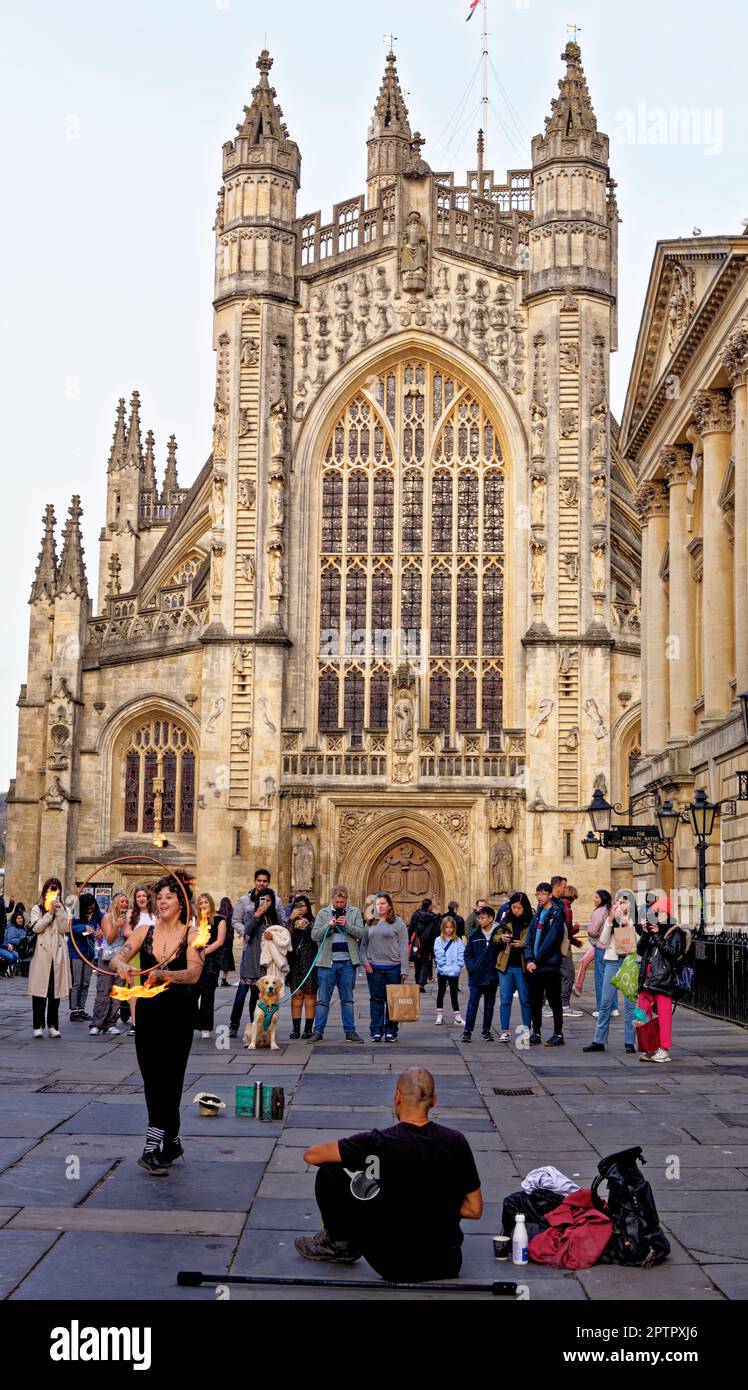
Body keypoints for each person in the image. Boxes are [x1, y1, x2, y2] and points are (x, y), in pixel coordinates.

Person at [294, 1067, 483, 1281]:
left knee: (331, 1171)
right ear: (434, 1100)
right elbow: (474, 1209)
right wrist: (434, 1202)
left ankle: (339, 1243)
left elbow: (312, 1156)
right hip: (446, 1263)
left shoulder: (377, 1141)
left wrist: (364, 1170)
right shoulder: (456, 1141)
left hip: (393, 1264)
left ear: (397, 1097)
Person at [110, 873, 204, 1174]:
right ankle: (171, 1141)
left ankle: (152, 1147)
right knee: (153, 1078)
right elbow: (117, 957)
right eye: (159, 897)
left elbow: (193, 973)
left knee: (171, 1079)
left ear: (181, 903)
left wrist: (166, 975)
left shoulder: (191, 936)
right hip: (148, 1013)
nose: (162, 901)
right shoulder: (144, 931)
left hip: (178, 1013)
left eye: (169, 897)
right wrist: (123, 966)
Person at [309, 886, 365, 1043]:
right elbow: (314, 935)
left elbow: (361, 933)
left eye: (342, 901)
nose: (340, 904)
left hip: (348, 962)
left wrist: (347, 924)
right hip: (327, 962)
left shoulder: (354, 912)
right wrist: (328, 925)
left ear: (347, 900)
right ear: (331, 899)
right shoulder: (323, 913)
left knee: (347, 999)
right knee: (323, 1000)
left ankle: (350, 1031)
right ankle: (318, 1031)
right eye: (337, 901)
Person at [637, 909, 691, 1064]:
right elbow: (640, 951)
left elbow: (672, 952)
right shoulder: (653, 931)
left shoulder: (676, 932)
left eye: (659, 913)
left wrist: (656, 935)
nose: (656, 916)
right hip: (647, 979)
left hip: (664, 980)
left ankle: (664, 1049)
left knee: (663, 1016)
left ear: (668, 914)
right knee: (641, 1014)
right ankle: (649, 1047)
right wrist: (646, 934)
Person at [583, 893, 636, 1054]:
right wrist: (611, 919)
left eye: (624, 903)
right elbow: (603, 941)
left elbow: (639, 942)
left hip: (630, 962)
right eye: (619, 902)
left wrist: (628, 925)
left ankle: (629, 1041)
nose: (621, 906)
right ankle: (599, 1040)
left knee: (630, 1005)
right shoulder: (611, 920)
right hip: (612, 960)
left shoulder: (635, 921)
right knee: (605, 1002)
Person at [229, 876, 278, 1038]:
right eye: (264, 900)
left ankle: (254, 1025)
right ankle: (233, 1025)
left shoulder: (272, 918)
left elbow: (280, 933)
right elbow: (247, 930)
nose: (266, 903)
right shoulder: (251, 913)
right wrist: (257, 915)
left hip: (264, 962)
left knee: (256, 996)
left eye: (269, 901)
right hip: (250, 958)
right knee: (241, 993)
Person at [361, 892, 409, 1042]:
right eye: (377, 904)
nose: (380, 906)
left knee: (392, 1001)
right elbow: (363, 945)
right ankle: (376, 1030)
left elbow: (403, 947)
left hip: (393, 967)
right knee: (376, 999)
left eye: (383, 903)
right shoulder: (369, 922)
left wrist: (404, 969)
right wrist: (365, 962)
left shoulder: (398, 922)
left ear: (389, 906)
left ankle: (391, 1030)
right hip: (374, 968)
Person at [525, 882, 567, 1046]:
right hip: (534, 965)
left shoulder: (556, 913)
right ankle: (536, 1031)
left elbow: (551, 941)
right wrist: (529, 959)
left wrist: (536, 961)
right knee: (535, 1000)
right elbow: (529, 938)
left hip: (549, 965)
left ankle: (558, 1033)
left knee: (554, 1000)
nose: (539, 897)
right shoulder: (538, 914)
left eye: (542, 894)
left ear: (550, 894)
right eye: (537, 894)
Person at [29, 877, 71, 1038]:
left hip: (58, 954)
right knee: (39, 992)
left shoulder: (64, 909)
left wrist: (59, 910)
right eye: (50, 890)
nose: (53, 894)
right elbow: (36, 928)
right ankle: (37, 1025)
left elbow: (64, 929)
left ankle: (53, 1025)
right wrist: (49, 913)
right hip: (41, 955)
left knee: (55, 992)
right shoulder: (37, 909)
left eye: (56, 890)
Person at [89, 890, 129, 1036]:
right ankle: (97, 1024)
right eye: (122, 901)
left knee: (117, 991)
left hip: (122, 958)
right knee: (103, 990)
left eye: (126, 902)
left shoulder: (129, 919)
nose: (124, 904)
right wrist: (117, 925)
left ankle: (110, 1024)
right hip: (107, 957)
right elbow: (110, 939)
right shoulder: (107, 917)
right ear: (115, 904)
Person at [495, 891, 533, 1042]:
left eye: (519, 907)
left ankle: (526, 1030)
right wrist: (501, 938)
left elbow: (532, 940)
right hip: (505, 964)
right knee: (505, 999)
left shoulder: (531, 921)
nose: (516, 910)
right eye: (513, 907)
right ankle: (505, 1030)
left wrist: (522, 944)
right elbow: (495, 937)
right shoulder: (505, 919)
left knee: (525, 999)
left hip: (522, 965)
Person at [121, 884, 157, 1038]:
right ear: (135, 899)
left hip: (152, 954)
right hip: (135, 954)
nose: (141, 898)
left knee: (151, 988)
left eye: (144, 896)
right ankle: (135, 1023)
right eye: (138, 896)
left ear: (148, 898)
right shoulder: (131, 914)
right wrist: (143, 936)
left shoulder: (155, 914)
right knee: (135, 989)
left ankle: (151, 1021)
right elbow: (126, 931)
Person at [461, 904, 501, 1042]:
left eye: (482, 917)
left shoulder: (499, 934)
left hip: (491, 975)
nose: (479, 920)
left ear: (490, 918)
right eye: (478, 917)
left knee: (489, 1005)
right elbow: (468, 953)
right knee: (473, 1004)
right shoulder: (475, 934)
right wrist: (472, 968)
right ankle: (467, 1031)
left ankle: (486, 1030)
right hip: (476, 975)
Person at [284, 894, 318, 1039]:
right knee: (296, 994)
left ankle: (308, 1028)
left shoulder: (313, 920)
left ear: (308, 907)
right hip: (295, 961)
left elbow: (317, 938)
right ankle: (296, 1028)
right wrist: (291, 920)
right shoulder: (290, 921)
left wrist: (308, 926)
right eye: (297, 906)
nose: (301, 909)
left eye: (303, 905)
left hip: (310, 960)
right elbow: (284, 937)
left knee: (310, 993)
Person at [193, 892, 226, 1038]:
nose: (203, 905)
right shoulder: (197, 921)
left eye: (205, 902)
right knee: (193, 991)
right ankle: (194, 1022)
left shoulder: (219, 920)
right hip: (195, 959)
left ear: (211, 903)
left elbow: (220, 941)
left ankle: (206, 1026)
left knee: (207, 993)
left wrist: (205, 952)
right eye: (200, 903)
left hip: (212, 959)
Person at [68, 891, 99, 1021]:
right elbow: (70, 928)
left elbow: (104, 922)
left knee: (86, 983)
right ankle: (73, 1010)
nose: (90, 909)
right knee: (77, 982)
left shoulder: (96, 914)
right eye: (88, 906)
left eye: (92, 906)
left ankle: (81, 1009)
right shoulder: (76, 914)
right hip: (76, 952)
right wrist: (84, 927)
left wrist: (100, 931)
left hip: (89, 952)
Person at [433, 914, 465, 1026]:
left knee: (453, 994)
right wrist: (444, 967)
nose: (449, 929)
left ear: (454, 928)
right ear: (443, 928)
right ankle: (439, 1016)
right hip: (443, 970)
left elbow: (461, 954)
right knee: (441, 992)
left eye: (451, 927)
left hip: (454, 971)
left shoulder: (458, 940)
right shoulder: (438, 940)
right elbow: (439, 954)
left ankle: (457, 1016)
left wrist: (458, 966)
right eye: (446, 927)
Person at [559, 881, 583, 1019]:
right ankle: (564, 1005)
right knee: (568, 975)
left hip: (559, 945)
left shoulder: (560, 905)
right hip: (563, 946)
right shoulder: (567, 909)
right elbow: (566, 932)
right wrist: (576, 930)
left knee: (560, 975)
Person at [408, 898, 441, 991]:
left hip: (417, 942)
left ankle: (417, 982)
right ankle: (421, 983)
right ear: (430, 906)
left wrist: (409, 939)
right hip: (429, 943)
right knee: (425, 963)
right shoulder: (434, 917)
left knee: (417, 963)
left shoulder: (415, 915)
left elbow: (410, 928)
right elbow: (436, 932)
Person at [216, 895, 234, 986]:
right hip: (228, 939)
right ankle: (224, 979)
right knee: (226, 959)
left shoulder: (217, 914)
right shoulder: (231, 913)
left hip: (219, 938)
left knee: (218, 958)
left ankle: (215, 980)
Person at [0, 908, 26, 974]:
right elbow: (11, 940)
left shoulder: (23, 928)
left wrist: (7, 945)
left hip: (5, 945)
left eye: (21, 918)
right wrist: (21, 939)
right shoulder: (11, 928)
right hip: (9, 947)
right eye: (18, 918)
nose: (20, 920)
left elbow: (4, 939)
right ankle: (2, 971)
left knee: (16, 955)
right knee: (10, 957)